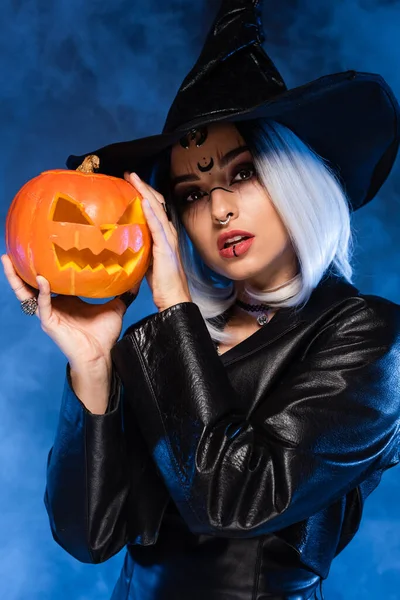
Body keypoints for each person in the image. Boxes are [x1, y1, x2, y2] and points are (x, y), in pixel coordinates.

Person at [2, 1, 400, 599]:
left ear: (297, 176)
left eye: (242, 174)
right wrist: (92, 368)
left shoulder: (367, 335)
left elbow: (235, 500)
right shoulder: (170, 340)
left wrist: (172, 306)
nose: (219, 209)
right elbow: (88, 535)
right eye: (191, 193)